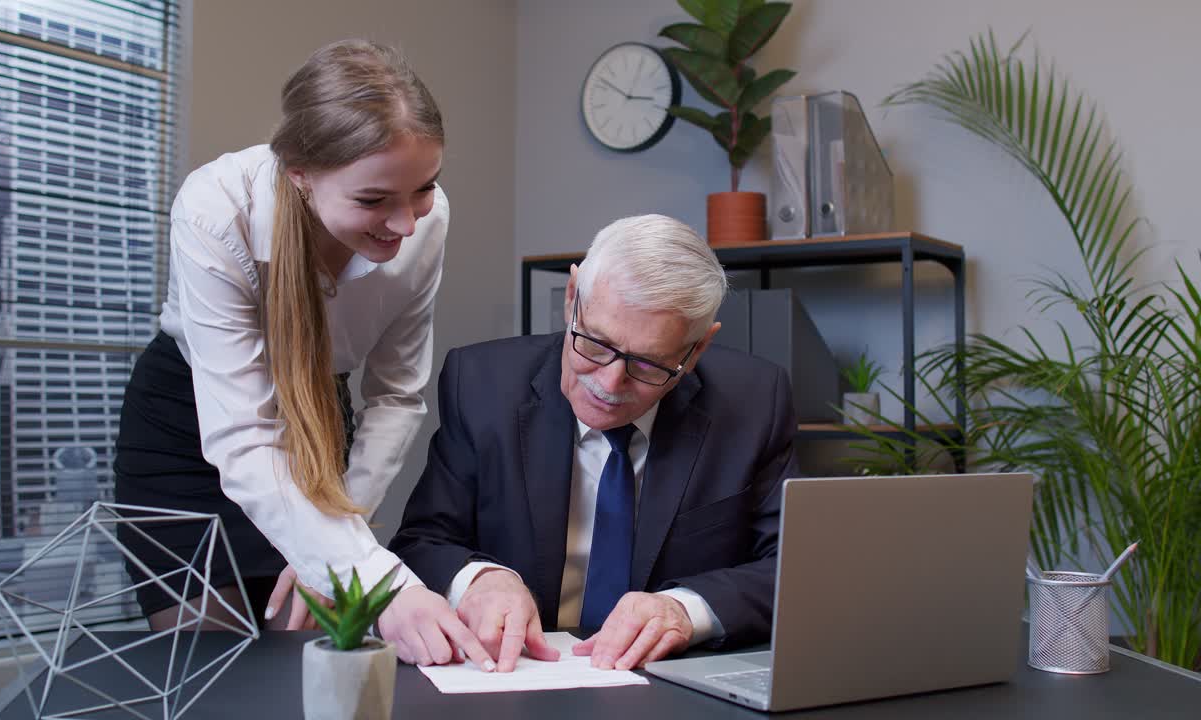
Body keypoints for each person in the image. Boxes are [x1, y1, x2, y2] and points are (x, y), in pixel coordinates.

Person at [113, 39, 492, 669]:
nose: (405, 223)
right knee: (213, 669)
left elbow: (397, 393)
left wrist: (337, 545)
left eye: (424, 188)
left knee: (303, 652)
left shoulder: (427, 219)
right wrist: (378, 578)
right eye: (373, 200)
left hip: (317, 414)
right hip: (189, 421)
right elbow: (241, 435)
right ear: (298, 172)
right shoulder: (216, 209)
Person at [389, 214, 800, 673]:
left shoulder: (754, 401)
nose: (609, 382)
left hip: (668, 684)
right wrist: (481, 579)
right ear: (572, 299)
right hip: (516, 675)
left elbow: (793, 567)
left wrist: (685, 610)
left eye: (648, 365)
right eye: (595, 344)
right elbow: (422, 541)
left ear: (697, 349)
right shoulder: (483, 385)